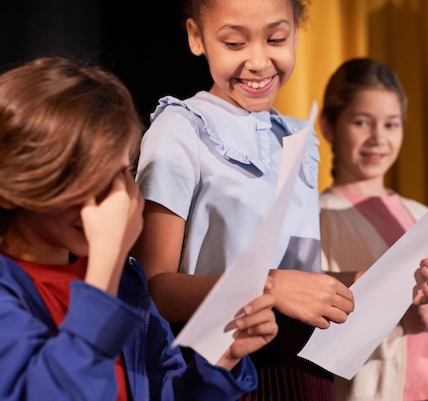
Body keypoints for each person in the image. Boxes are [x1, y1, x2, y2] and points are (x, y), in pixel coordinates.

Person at [131, 0, 428, 399]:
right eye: (234, 42)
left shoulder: (298, 138)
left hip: (303, 369)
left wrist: (377, 279)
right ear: (196, 37)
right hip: (222, 369)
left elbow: (303, 278)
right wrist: (270, 285)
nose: (259, 61)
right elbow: (154, 287)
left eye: (277, 38)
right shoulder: (179, 129)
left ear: (297, 29)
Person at [0, 56, 280, 401]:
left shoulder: (126, 281)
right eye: (79, 175)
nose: (111, 198)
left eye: (119, 173)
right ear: (11, 188)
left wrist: (221, 360)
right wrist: (105, 263)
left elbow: (165, 389)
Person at [318, 57, 428, 401]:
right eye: (362, 122)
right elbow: (317, 331)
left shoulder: (426, 215)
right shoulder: (318, 221)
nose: (378, 138)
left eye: (392, 124)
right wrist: (400, 325)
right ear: (330, 126)